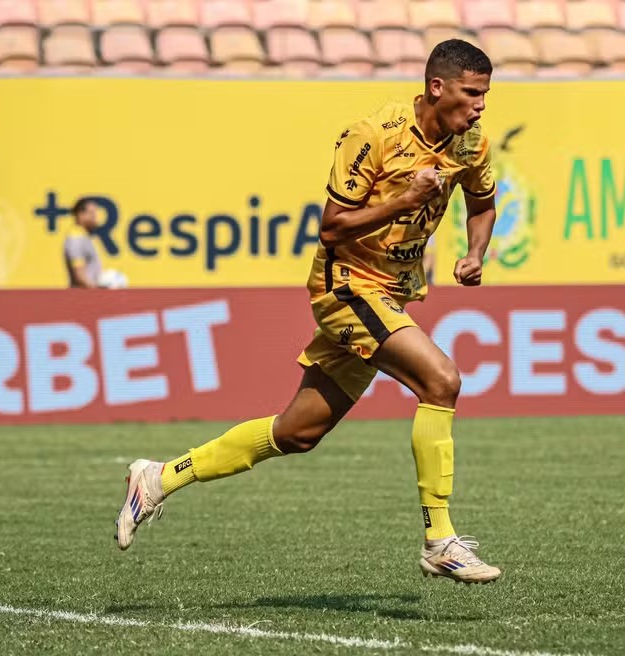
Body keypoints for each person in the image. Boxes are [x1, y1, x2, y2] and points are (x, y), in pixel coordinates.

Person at [115, 40, 501, 584]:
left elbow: (482, 202)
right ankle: (440, 540)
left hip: (391, 292)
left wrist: (475, 252)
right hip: (345, 284)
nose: (481, 105)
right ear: (437, 87)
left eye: (485, 94)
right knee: (441, 381)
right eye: (472, 93)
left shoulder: (471, 144)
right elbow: (331, 227)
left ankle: (157, 477)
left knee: (297, 433)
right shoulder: (373, 135)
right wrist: (404, 200)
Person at [64, 198, 102, 288]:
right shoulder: (76, 239)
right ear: (80, 215)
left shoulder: (84, 237)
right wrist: (98, 292)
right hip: (82, 297)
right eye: (92, 213)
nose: (95, 217)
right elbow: (79, 275)